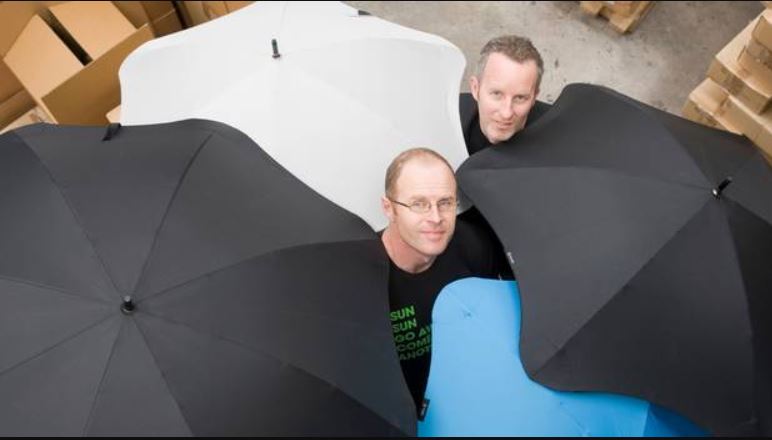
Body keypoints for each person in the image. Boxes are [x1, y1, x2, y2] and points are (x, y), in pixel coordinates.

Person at [380, 148, 505, 418]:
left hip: (465, 397)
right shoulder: (364, 277)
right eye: (419, 204)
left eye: (446, 202)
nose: (436, 218)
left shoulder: (474, 245)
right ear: (389, 209)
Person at [461, 35, 551, 156]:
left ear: (534, 97)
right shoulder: (447, 121)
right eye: (497, 94)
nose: (506, 113)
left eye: (520, 98)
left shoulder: (555, 142)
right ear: (475, 88)